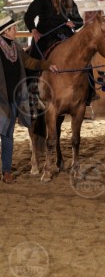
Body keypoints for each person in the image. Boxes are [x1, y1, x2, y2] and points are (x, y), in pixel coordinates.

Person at [24, 0, 96, 104]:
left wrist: (73, 23)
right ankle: (30, 92)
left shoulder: (69, 0)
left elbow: (79, 21)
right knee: (33, 57)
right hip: (45, 34)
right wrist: (33, 30)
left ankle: (90, 92)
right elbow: (29, 15)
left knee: (83, 57)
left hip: (64, 33)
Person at [0, 15, 58, 183]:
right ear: (5, 32)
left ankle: (6, 172)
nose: (16, 30)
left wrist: (48, 65)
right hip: (1, 99)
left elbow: (30, 62)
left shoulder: (16, 48)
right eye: (13, 28)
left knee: (8, 134)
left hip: (12, 100)